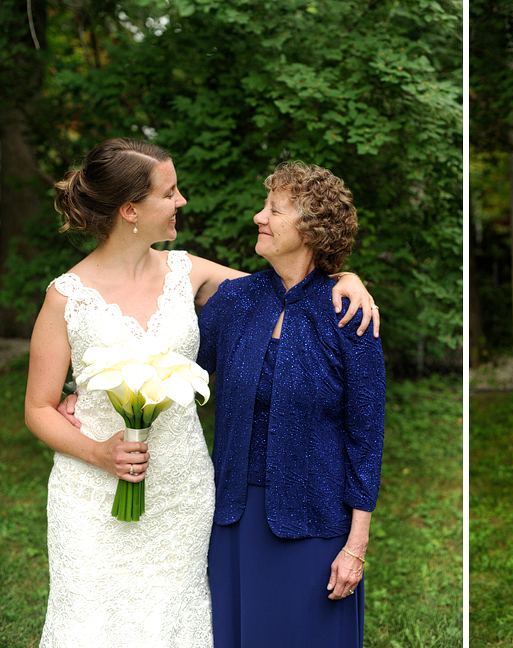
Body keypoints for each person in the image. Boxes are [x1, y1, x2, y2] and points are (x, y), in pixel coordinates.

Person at [23, 138, 376, 647]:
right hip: (92, 490)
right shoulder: (66, 296)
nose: (182, 201)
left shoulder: (188, 273)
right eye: (170, 193)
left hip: (181, 489)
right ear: (130, 210)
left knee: (176, 619)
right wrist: (99, 451)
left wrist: (348, 276)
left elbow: (291, 292)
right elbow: (37, 407)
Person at [197, 162, 385, 648]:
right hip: (235, 517)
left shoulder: (347, 310)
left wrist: (356, 546)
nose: (259, 217)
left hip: (318, 521)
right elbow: (178, 373)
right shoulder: (235, 300)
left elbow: (366, 435)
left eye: (274, 210)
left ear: (311, 229)